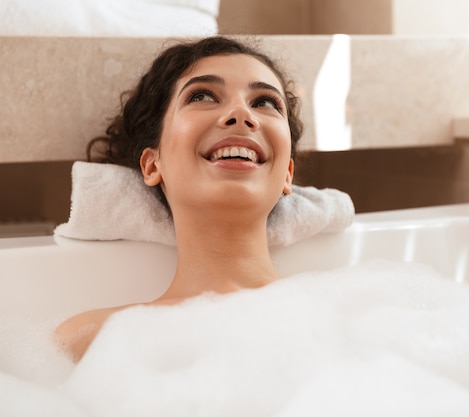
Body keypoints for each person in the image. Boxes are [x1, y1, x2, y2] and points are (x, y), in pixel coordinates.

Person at [55, 36, 304, 361]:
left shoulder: (347, 317)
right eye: (202, 95)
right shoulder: (89, 341)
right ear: (152, 164)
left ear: (288, 173)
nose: (241, 114)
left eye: (265, 102)